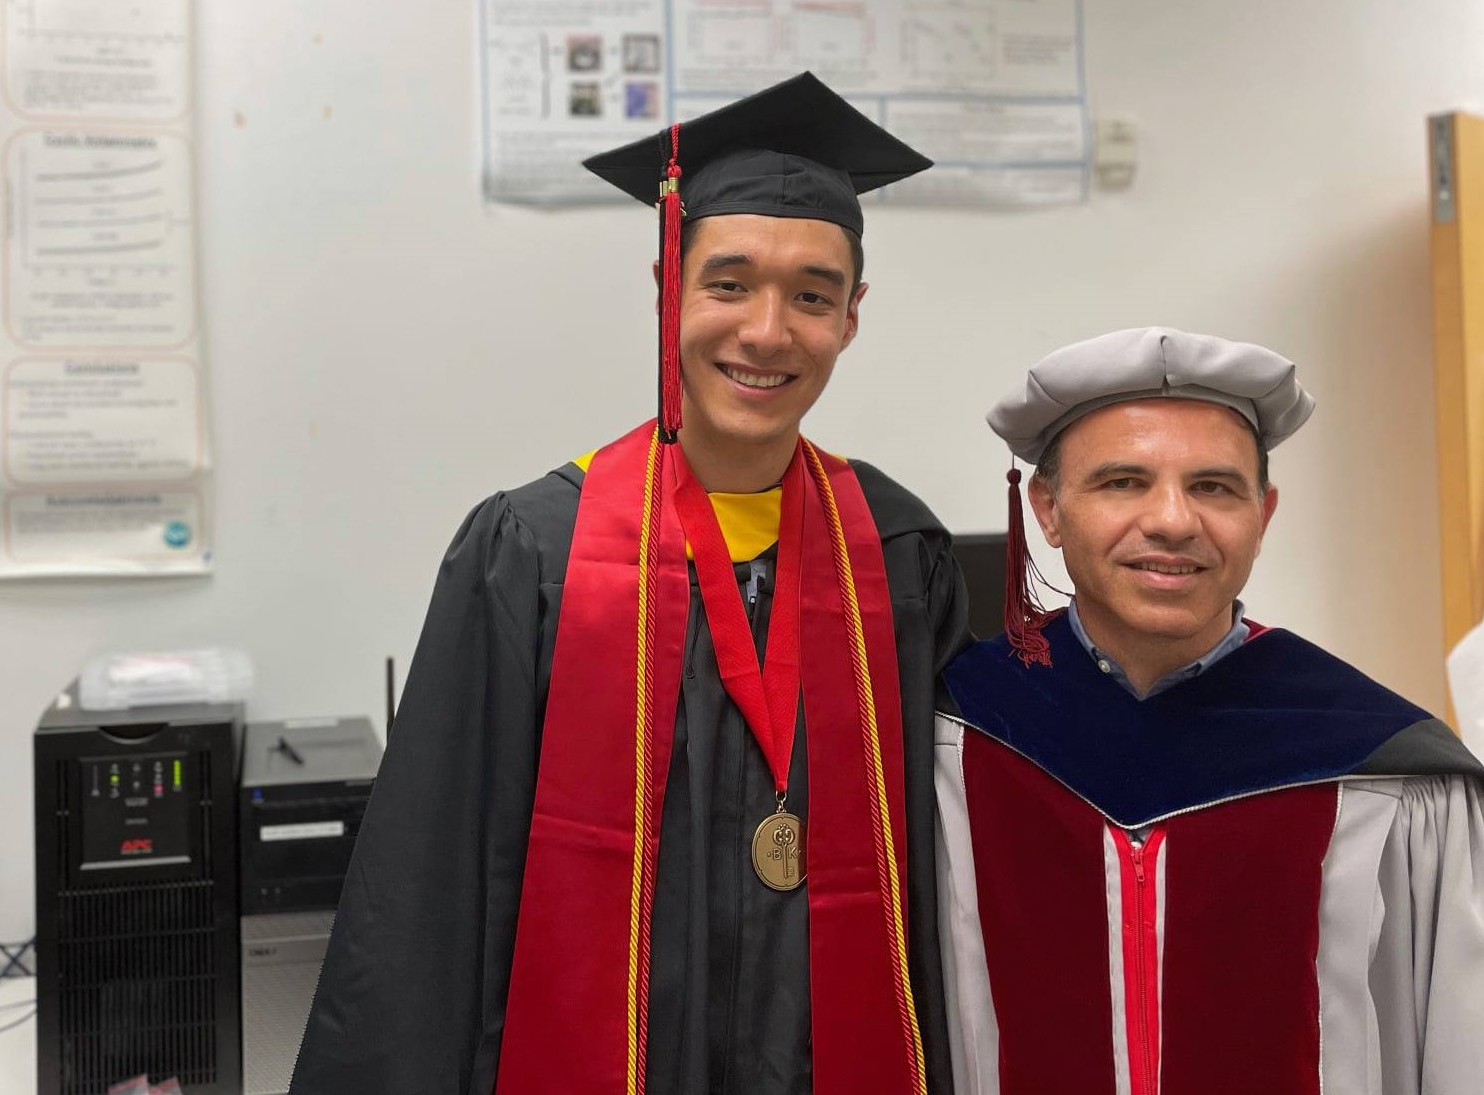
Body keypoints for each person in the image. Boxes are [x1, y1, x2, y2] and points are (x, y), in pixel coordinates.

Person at [291, 73, 971, 1095]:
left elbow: (948, 874)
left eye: (812, 295)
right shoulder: (532, 549)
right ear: (669, 287)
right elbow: (427, 890)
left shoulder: (898, 549)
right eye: (729, 283)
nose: (767, 331)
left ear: (852, 316)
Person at [933, 326, 1484, 1095]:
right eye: (1123, 481)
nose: (1172, 520)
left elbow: (1458, 1051)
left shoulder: (1386, 766)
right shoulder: (954, 739)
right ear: (1048, 509)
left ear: (1264, 512)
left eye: (1214, 487)